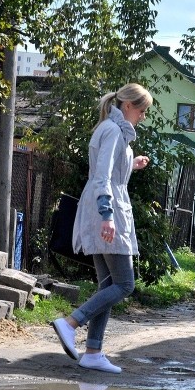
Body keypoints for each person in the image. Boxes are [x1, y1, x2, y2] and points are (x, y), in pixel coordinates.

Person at [51, 83, 153, 373]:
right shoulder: (111, 131)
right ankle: (70, 323)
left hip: (104, 208)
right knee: (125, 284)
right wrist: (107, 215)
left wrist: (131, 164)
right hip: (106, 211)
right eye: (142, 111)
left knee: (108, 285)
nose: (143, 117)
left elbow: (108, 171)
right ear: (128, 106)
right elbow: (102, 178)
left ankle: (93, 351)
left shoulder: (114, 131)